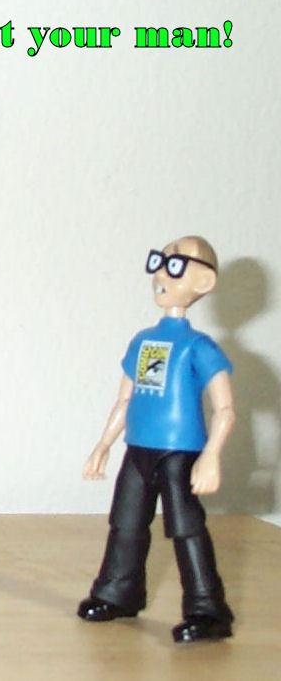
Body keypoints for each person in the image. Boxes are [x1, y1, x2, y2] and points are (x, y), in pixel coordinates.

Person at [78, 236, 235, 643]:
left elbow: (224, 408)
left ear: (204, 281)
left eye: (174, 265)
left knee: (186, 528)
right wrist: (103, 445)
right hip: (138, 449)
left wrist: (212, 455)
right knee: (126, 522)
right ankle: (118, 592)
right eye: (159, 263)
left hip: (180, 452)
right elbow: (124, 399)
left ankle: (207, 609)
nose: (161, 274)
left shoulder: (199, 346)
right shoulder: (144, 341)